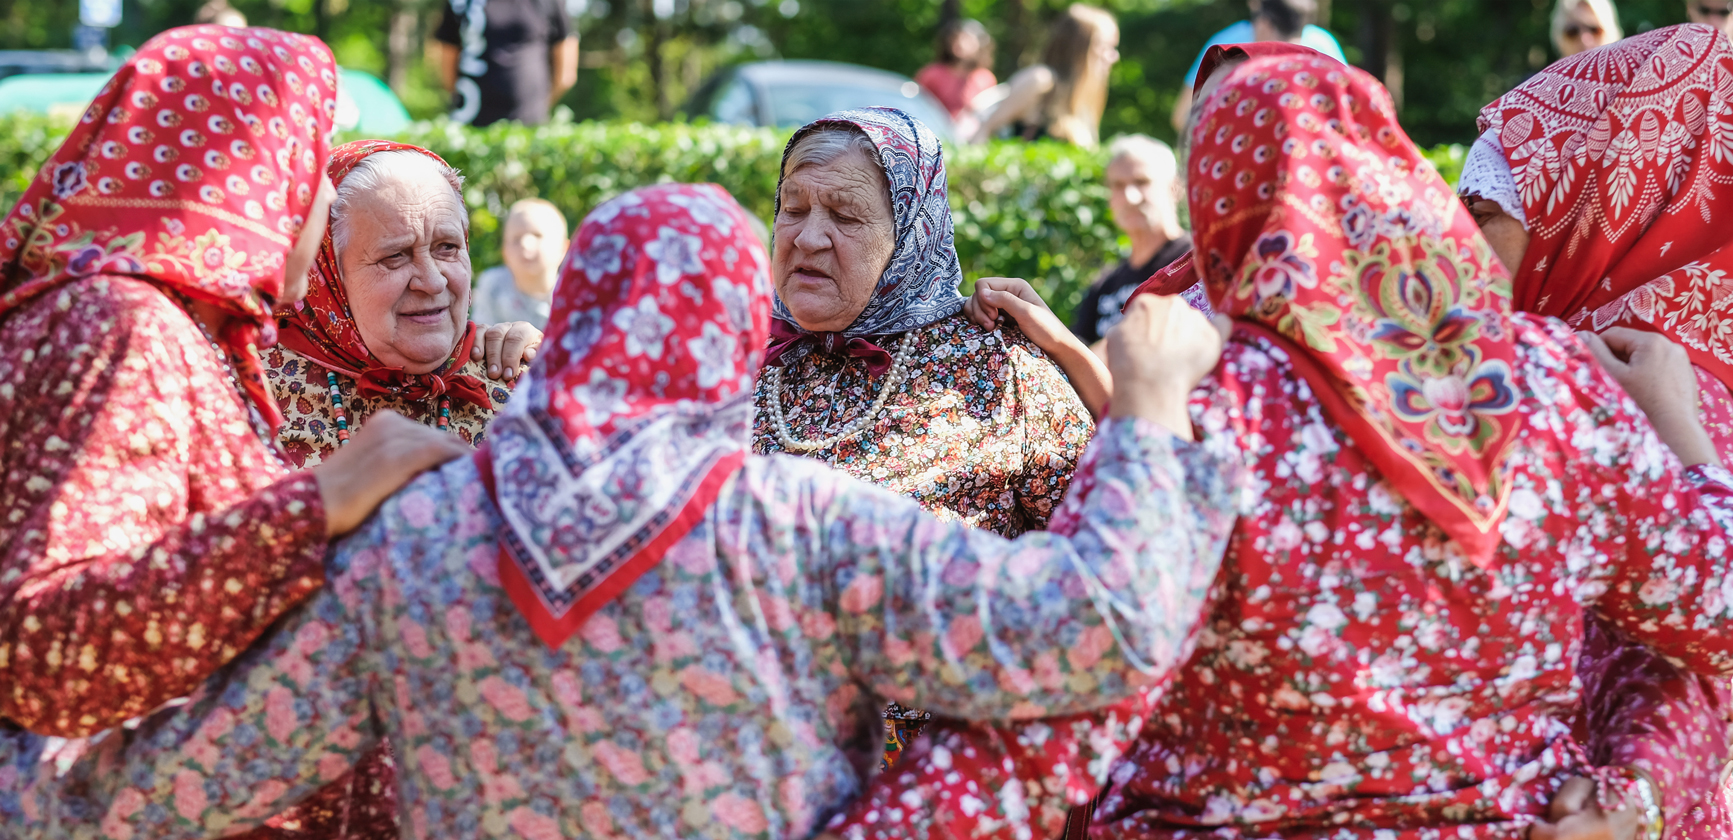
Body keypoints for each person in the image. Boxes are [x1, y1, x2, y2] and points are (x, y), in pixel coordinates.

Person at [0, 183, 1246, 840]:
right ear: (732, 333)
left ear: (576, 318)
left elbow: (182, 786)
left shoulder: (420, 535)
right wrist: (1146, 415)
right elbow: (1090, 629)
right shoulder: (794, 522)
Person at [828, 44, 1733, 840]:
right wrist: (1686, 437)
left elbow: (1073, 667)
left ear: (1222, 212)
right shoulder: (1553, 388)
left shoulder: (1204, 410)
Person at [0, 24, 471, 840]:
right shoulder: (122, 325)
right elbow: (42, 650)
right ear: (247, 178)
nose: (318, 202)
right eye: (308, 169)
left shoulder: (167, 327)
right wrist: (318, 503)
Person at [1461, 24, 1733, 837]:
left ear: (1591, 205)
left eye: (1486, 212)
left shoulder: (1646, 380)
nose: (1461, 243)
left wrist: (1624, 797)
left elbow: (1698, 643)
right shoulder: (1625, 360)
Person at [755, 107, 1097, 536]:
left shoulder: (997, 367)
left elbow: (1106, 547)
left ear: (910, 235)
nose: (807, 238)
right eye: (793, 208)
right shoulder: (742, 363)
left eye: (845, 216)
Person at [269, 141, 537, 468]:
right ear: (326, 273)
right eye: (395, 256)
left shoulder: (519, 379)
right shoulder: (250, 396)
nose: (433, 282)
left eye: (447, 247)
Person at [1071, 135, 1191, 347]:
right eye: (1118, 185)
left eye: (1142, 182)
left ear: (1175, 187)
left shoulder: (1193, 262)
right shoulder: (1105, 284)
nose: (1130, 197)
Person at [1171, 0, 1344, 132]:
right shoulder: (1323, 45)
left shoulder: (1228, 44)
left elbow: (1183, 116)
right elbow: (1348, 111)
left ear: (1264, 23)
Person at [969, 4, 1118, 146]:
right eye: (1106, 46)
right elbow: (984, 132)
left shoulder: (1084, 99)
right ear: (1080, 47)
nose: (1113, 57)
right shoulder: (1040, 81)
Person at [432, 0, 578, 126]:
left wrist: (538, 106)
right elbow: (447, 58)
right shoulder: (462, 3)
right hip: (469, 121)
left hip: (529, 126)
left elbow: (566, 74)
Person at [472, 198, 566, 330]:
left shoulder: (574, 295)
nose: (525, 244)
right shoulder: (492, 287)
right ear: (504, 251)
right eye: (516, 239)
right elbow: (481, 335)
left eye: (537, 235)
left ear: (563, 249)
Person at [915, 17, 998, 138]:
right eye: (956, 38)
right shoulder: (932, 73)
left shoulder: (985, 78)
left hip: (969, 137)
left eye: (967, 39)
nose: (960, 43)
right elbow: (916, 104)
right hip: (932, 132)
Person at [1552, 0, 1623, 56]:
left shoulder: (1626, 69)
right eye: (1572, 32)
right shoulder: (1550, 71)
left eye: (1595, 30)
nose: (1585, 40)